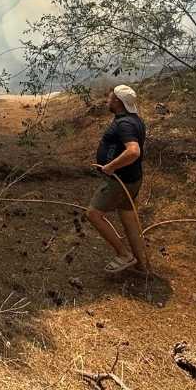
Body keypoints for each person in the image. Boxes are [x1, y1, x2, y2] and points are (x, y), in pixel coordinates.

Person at [86, 84, 149, 274]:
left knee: (93, 214)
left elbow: (133, 151)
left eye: (110, 98)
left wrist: (110, 166)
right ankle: (142, 266)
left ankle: (123, 254)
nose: (107, 100)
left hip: (119, 181)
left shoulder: (124, 124)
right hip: (132, 179)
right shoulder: (135, 120)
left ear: (118, 102)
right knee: (129, 220)